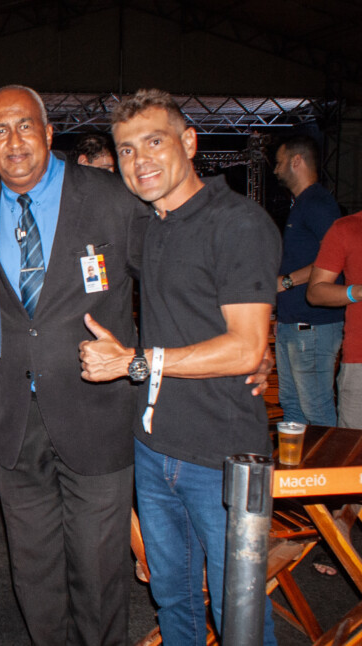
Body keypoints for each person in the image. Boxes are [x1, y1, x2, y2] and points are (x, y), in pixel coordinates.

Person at [79, 88, 280, 645]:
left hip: (221, 456)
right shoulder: (150, 227)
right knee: (173, 600)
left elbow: (245, 349)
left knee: (241, 615)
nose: (139, 160)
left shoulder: (238, 223)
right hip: (154, 448)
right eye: (126, 150)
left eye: (154, 142)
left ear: (189, 142)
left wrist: (134, 363)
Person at [0, 85, 147, 645]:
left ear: (47, 131)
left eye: (24, 126)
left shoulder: (112, 197)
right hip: (15, 421)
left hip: (97, 414)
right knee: (34, 573)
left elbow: (167, 280)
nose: (13, 141)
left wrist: (176, 356)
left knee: (99, 575)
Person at [274, 134, 344, 426]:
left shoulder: (317, 203)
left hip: (312, 324)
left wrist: (287, 282)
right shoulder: (303, 204)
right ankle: (299, 459)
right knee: (292, 407)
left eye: (279, 162)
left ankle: (329, 457)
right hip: (294, 324)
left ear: (296, 161)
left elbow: (335, 258)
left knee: (315, 409)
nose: (276, 170)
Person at [308, 213, 362, 428]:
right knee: (354, 447)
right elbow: (315, 292)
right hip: (359, 362)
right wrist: (358, 292)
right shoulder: (347, 228)